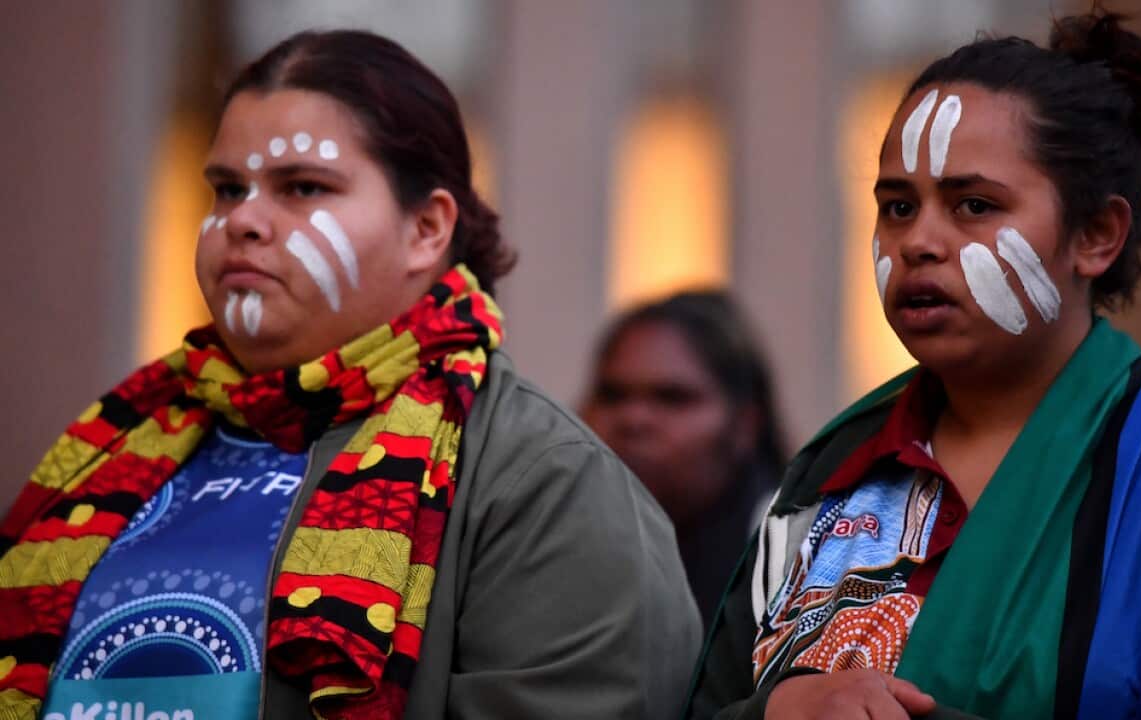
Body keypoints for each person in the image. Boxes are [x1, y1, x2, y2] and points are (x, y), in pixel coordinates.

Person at [0, 30, 700, 720]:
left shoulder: (545, 484)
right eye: (225, 188)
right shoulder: (117, 446)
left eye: (303, 187)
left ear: (426, 228)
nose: (244, 219)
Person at [687, 7, 1141, 720]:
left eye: (973, 204)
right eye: (897, 207)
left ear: (1096, 235)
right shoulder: (840, 465)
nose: (918, 242)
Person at [582, 291, 785, 628]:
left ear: (745, 424)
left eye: (672, 398)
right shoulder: (552, 542)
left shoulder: (796, 560)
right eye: (612, 395)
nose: (634, 420)